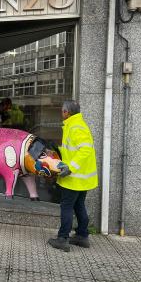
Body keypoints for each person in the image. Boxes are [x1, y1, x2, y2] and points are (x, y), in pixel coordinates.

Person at [48, 100, 98, 252]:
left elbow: (85, 150)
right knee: (78, 205)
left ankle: (63, 239)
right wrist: (56, 153)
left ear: (66, 112)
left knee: (67, 206)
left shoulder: (76, 127)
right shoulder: (74, 125)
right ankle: (82, 236)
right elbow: (73, 150)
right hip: (82, 178)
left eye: (62, 111)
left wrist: (70, 168)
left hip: (75, 177)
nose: (61, 113)